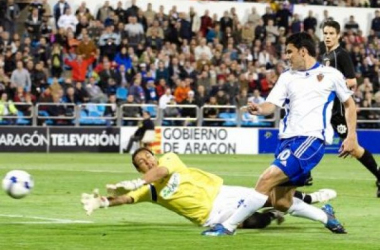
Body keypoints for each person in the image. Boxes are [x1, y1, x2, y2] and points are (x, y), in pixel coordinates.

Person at [202, 32, 355, 236]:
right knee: (281, 202)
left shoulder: (331, 74)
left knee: (266, 179)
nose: (287, 56)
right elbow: (271, 105)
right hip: (286, 141)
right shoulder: (287, 77)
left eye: (289, 51)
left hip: (311, 140)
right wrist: (259, 109)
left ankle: (227, 226)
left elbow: (350, 104)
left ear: (303, 51)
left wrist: (351, 136)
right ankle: (326, 217)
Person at [81, 148, 336, 230]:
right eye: (141, 163)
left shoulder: (169, 160)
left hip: (223, 191)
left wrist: (138, 181)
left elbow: (158, 173)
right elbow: (126, 199)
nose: (147, 162)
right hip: (210, 215)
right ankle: (285, 210)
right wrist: (103, 202)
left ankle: (309, 197)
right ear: (139, 169)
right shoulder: (151, 192)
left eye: (147, 157)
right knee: (259, 216)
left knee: (270, 196)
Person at [321, 20, 380, 197]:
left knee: (353, 148)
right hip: (328, 112)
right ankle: (300, 176)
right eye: (325, 33)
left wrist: (332, 86)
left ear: (338, 35)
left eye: (331, 33)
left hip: (338, 112)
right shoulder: (326, 56)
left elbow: (352, 82)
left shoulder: (341, 55)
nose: (328, 37)